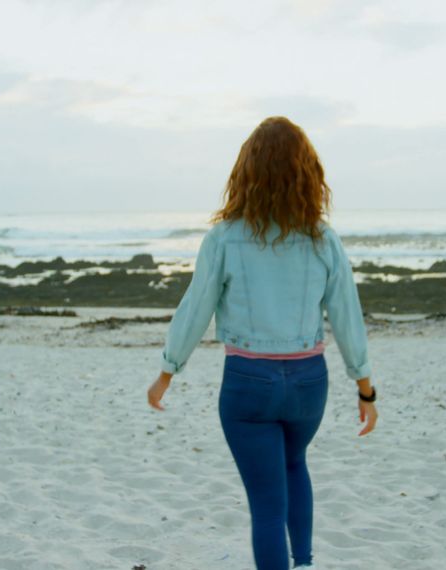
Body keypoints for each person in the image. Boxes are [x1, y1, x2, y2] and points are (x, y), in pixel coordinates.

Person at [146, 116, 378, 570]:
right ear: (307, 173)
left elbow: (196, 309)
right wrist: (365, 386)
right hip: (310, 382)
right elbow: (348, 316)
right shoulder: (323, 239)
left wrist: (166, 372)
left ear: (246, 172)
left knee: (268, 506)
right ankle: (305, 564)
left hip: (249, 382)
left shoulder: (225, 238)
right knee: (295, 465)